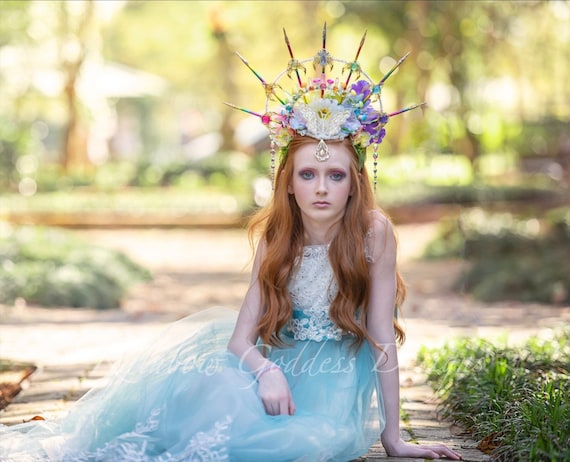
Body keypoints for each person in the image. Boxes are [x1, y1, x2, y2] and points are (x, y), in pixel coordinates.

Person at [0, 25, 462, 461]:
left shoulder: (373, 232)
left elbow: (382, 334)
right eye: (308, 174)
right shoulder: (278, 237)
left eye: (335, 175)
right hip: (275, 367)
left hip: (331, 386)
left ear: (353, 184)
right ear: (288, 184)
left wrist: (393, 436)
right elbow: (241, 340)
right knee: (209, 396)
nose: (321, 187)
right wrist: (266, 371)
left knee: (311, 441)